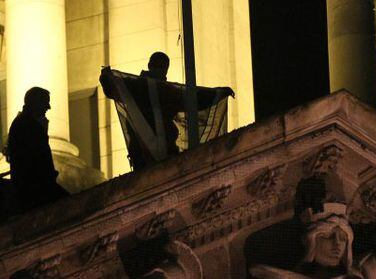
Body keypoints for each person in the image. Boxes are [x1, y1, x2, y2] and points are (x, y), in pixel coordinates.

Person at [100, 51, 234, 169]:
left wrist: (218, 94)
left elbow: (194, 99)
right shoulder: (136, 86)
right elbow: (114, 89)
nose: (161, 70)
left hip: (164, 150)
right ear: (150, 65)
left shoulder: (165, 91)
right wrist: (106, 78)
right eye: (158, 65)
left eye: (163, 67)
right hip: (143, 151)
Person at [7, 87, 69, 212]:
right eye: (45, 102)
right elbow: (36, 157)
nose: (48, 107)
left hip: (35, 186)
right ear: (36, 103)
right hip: (35, 188)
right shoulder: (26, 125)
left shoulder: (25, 123)